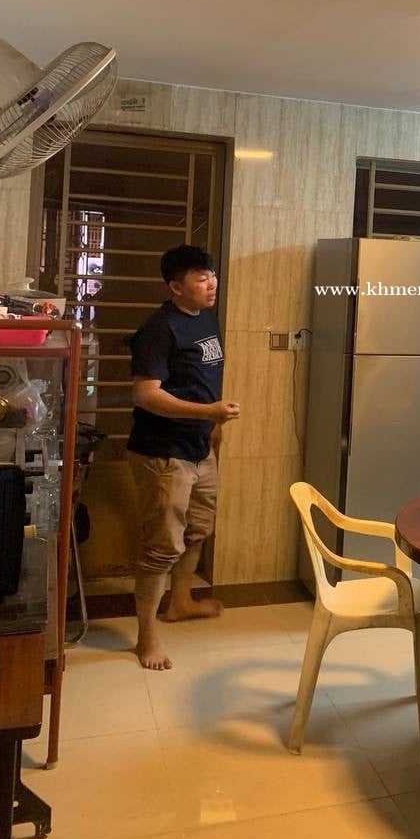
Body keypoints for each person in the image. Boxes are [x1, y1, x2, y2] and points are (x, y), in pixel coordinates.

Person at [126, 245, 240, 669]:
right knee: (161, 547)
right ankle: (146, 639)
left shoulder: (205, 317)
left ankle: (181, 602)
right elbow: (145, 394)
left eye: (212, 275)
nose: (212, 283)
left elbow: (199, 377)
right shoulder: (159, 329)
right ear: (176, 287)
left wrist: (212, 425)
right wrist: (208, 412)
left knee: (198, 529)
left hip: (200, 447)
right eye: (201, 277)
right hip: (163, 453)